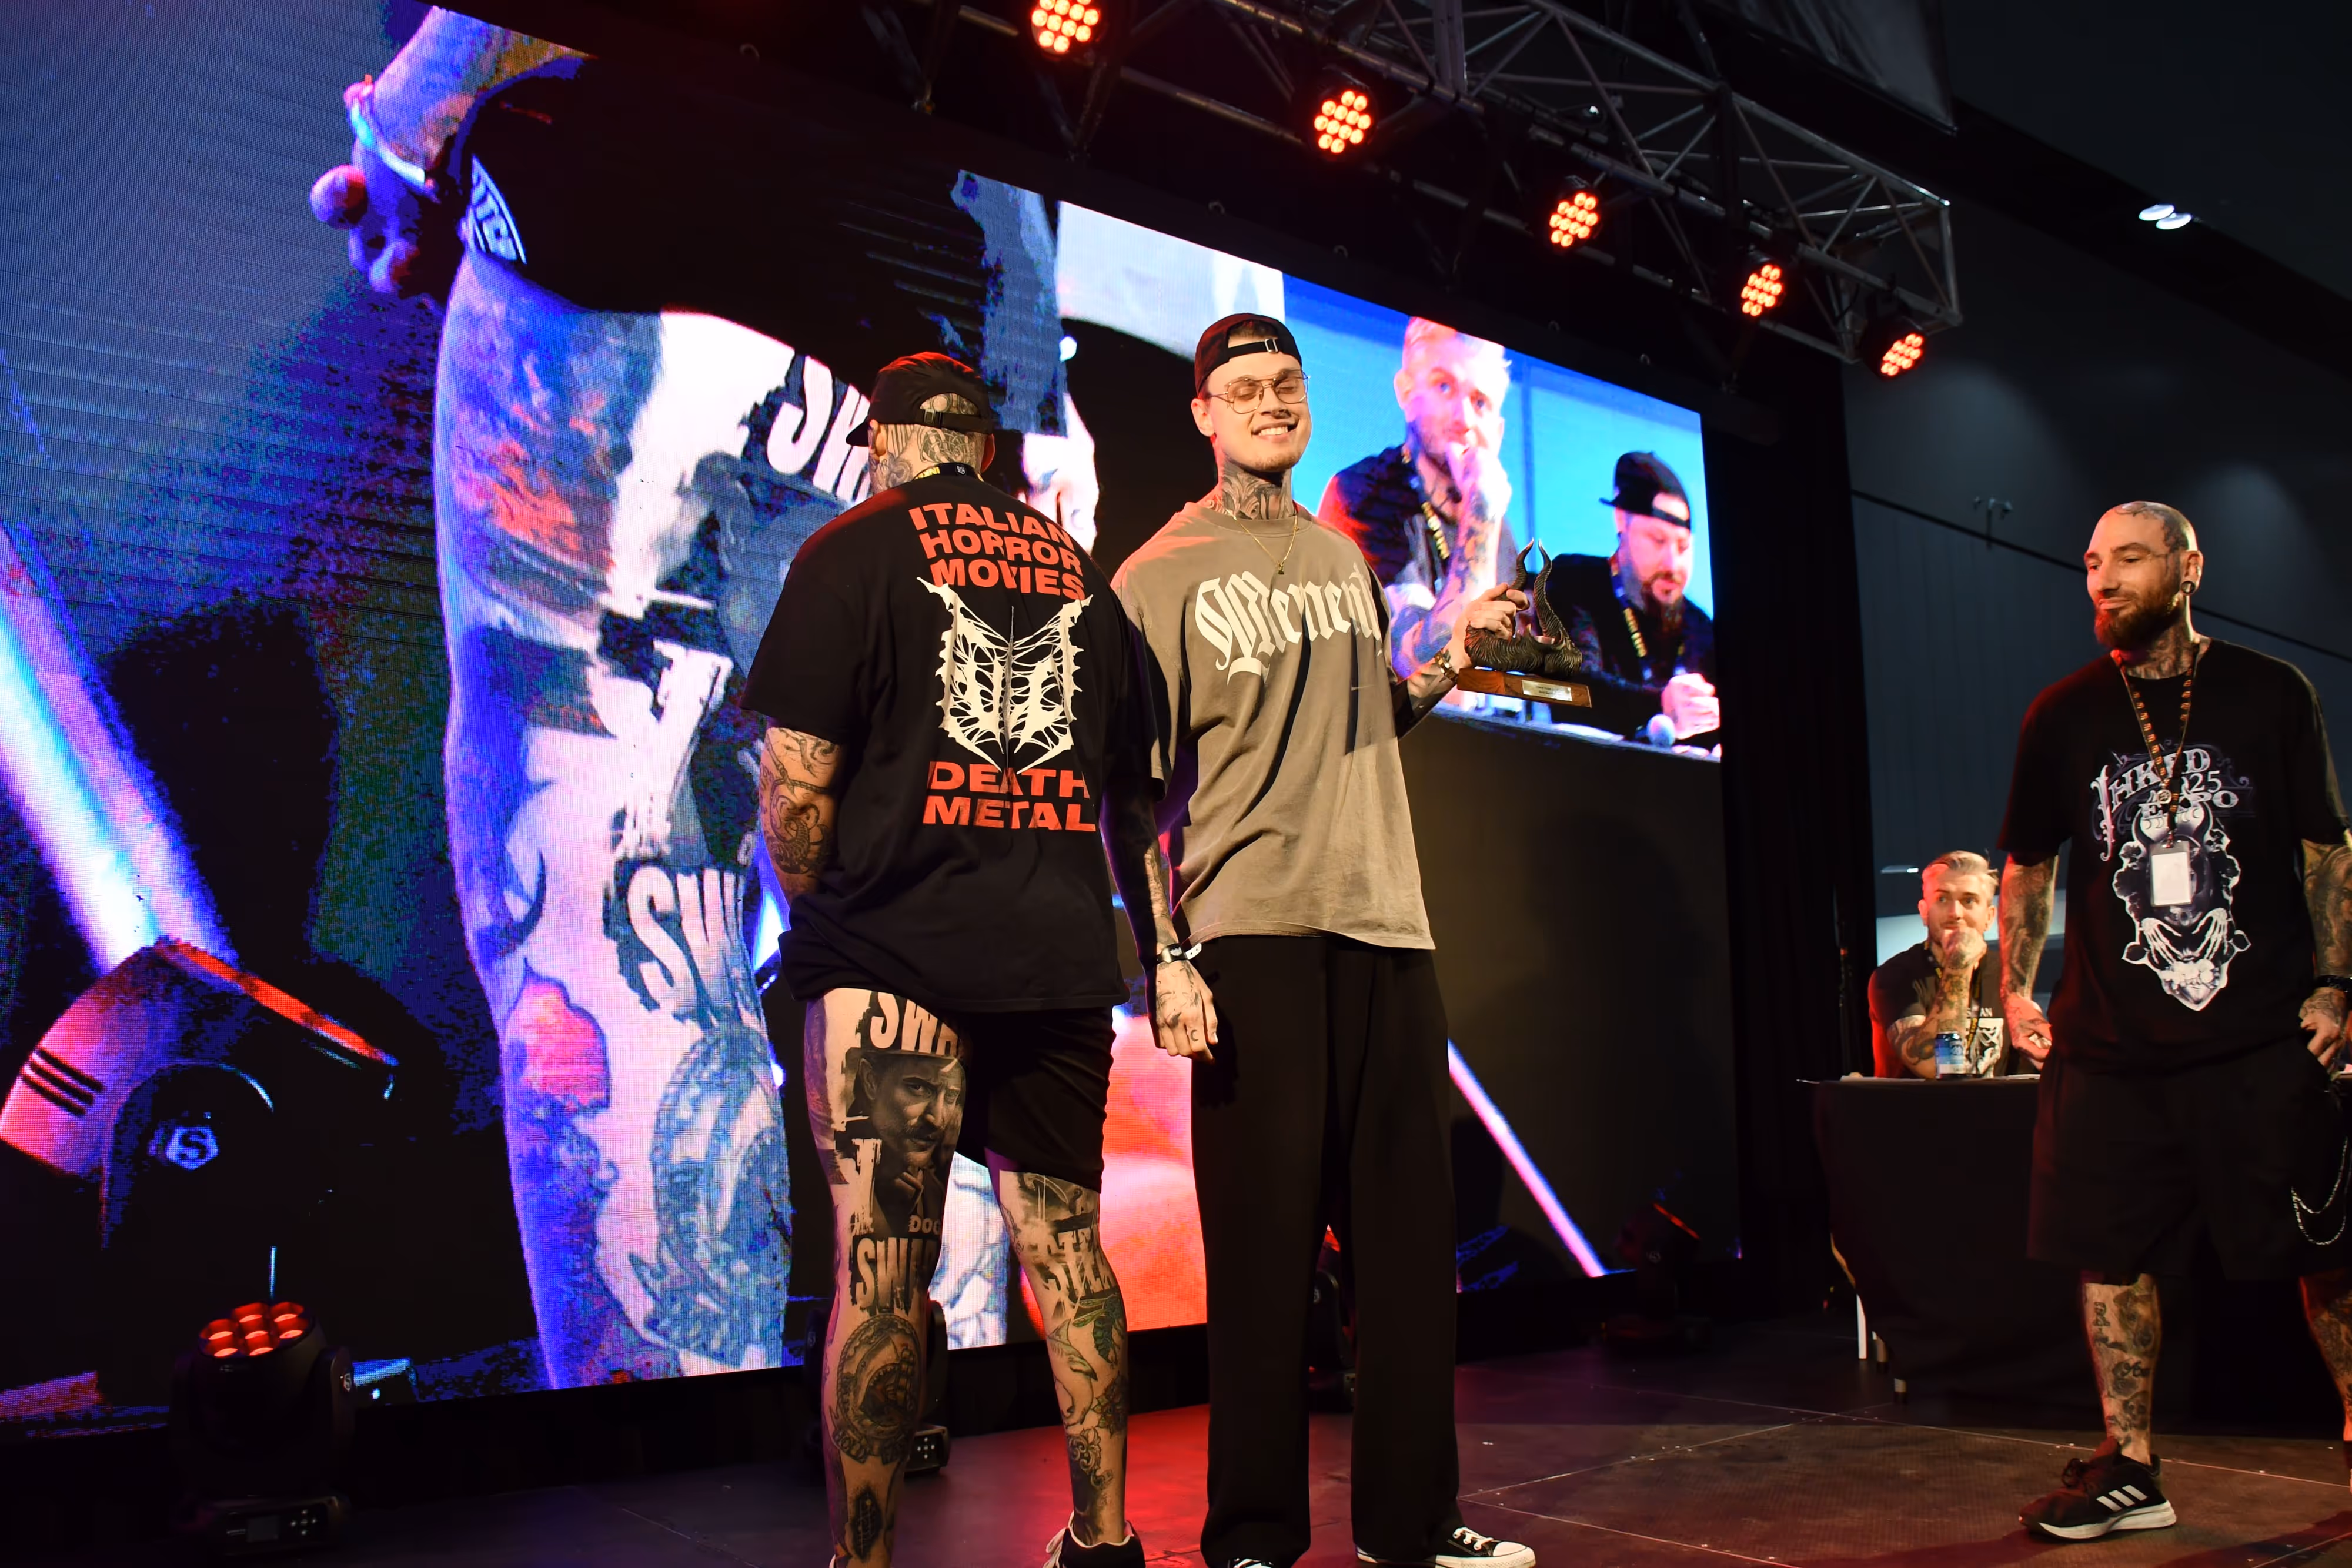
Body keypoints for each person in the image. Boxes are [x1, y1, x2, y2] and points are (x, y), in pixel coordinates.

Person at [306, 14, 1093, 1385]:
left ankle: (672, 1465)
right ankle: (946, 1448)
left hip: (637, 199)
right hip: (925, 330)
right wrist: (1037, 396)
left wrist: (407, 129)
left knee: (605, 885)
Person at [1108, 313, 1536, 1568]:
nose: (1271, 404)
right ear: (1203, 412)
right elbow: (1127, 791)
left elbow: (1365, 720)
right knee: (1262, 1258)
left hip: (1386, 922)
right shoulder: (1155, 574)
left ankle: (1412, 1524)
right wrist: (1165, 958)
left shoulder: (1341, 561)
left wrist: (1454, 658)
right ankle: (1251, 1535)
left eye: (1286, 385)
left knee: (1406, 1255)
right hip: (1251, 936)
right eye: (1243, 387)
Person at [742, 353, 1147, 1568]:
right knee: (1067, 1250)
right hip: (1055, 959)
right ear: (982, 447)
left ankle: (863, 1563)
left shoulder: (850, 550)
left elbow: (796, 786)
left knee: (881, 1270)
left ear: (887, 439)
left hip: (892, 958)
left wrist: (822, 919)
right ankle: (1106, 1539)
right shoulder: (1077, 571)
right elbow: (1133, 786)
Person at [1997, 500, 2352, 1539]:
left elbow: (2326, 848)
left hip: (2258, 1037)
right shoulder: (2062, 713)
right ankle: (2131, 1466)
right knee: (2108, 1253)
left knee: (2324, 1252)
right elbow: (2029, 860)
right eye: (2092, 562)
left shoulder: (2271, 691)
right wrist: (2015, 989)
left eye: (2129, 560)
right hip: (2111, 1046)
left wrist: (2339, 981)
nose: (2103, 580)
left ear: (2189, 568)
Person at [1315, 319, 1518, 686]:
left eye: (1480, 403)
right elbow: (1428, 668)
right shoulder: (1363, 494)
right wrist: (1483, 512)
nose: (1464, 419)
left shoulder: (1499, 534)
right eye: (1444, 387)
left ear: (1499, 431)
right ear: (1406, 393)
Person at [1541, 452, 1719, 743]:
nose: (1672, 564)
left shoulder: (1701, 628)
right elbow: (1572, 685)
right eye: (1658, 541)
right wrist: (1660, 705)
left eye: (1683, 547)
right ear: (1621, 521)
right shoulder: (1576, 581)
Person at [1869, 852, 2004, 1078]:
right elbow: (1934, 1066)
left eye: (1969, 901)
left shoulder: (2006, 973)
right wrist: (1959, 965)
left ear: (1989, 917)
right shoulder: (1894, 976)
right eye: (1942, 899)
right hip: (1921, 1102)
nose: (1955, 914)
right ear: (1924, 912)